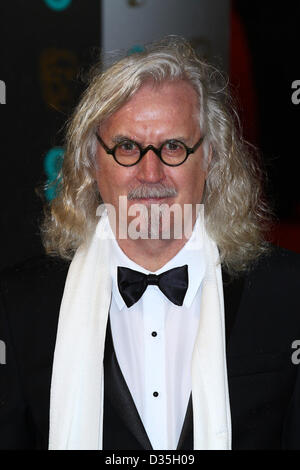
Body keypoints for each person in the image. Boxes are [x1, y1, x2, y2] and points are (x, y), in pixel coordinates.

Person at [0, 36, 299, 451]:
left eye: (173, 146)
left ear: (210, 157)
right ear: (91, 160)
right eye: (127, 147)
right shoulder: (17, 308)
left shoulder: (289, 295)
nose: (151, 172)